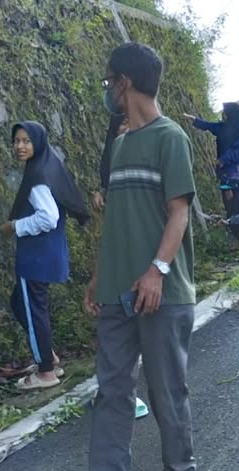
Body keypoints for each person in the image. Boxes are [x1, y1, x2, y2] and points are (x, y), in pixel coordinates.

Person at [74, 42, 197, 471]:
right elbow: (118, 222)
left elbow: (179, 213)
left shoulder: (171, 138)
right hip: (117, 292)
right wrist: (99, 275)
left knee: (166, 390)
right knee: (112, 393)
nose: (107, 91)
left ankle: (179, 468)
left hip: (163, 291)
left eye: (109, 81)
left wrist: (156, 270)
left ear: (124, 82)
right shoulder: (121, 145)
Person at [2, 121, 90, 390]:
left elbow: (48, 218)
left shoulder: (37, 177)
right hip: (50, 252)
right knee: (20, 303)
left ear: (37, 142)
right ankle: (47, 356)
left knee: (33, 310)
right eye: (17, 141)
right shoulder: (48, 164)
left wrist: (15, 226)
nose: (20, 146)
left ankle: (45, 372)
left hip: (35, 257)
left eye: (26, 141)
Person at [91, 112, 152, 420]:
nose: (126, 132)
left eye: (130, 125)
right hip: (116, 260)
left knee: (135, 327)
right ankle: (117, 391)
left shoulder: (148, 161)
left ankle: (129, 394)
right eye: (120, 127)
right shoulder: (112, 168)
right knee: (116, 329)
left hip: (142, 260)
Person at [184, 102, 239, 194]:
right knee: (226, 196)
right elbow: (207, 125)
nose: (223, 114)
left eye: (225, 112)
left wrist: (223, 159)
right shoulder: (221, 128)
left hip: (234, 173)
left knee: (234, 197)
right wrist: (193, 119)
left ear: (231, 114)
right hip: (223, 172)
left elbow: (237, 152)